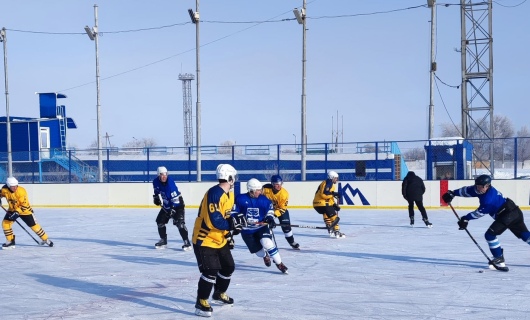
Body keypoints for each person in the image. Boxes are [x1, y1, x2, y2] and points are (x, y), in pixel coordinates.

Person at [191, 164, 247, 317]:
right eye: (233, 177)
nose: (235, 179)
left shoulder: (229, 194)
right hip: (205, 239)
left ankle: (218, 293)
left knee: (228, 267)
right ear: (229, 178)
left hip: (219, 238)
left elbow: (226, 216)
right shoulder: (215, 194)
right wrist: (231, 225)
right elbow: (214, 221)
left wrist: (231, 231)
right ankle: (201, 302)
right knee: (210, 271)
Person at [442, 174, 530, 269]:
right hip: (514, 211)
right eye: (477, 185)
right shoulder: (481, 189)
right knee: (524, 235)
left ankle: (498, 258)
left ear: (487, 186)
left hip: (507, 215)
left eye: (480, 186)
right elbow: (467, 191)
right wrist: (453, 193)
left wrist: (466, 218)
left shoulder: (489, 199)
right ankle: (498, 257)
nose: (477, 188)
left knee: (490, 235)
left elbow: (479, 213)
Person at [236, 178, 289, 274]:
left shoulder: (263, 199)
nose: (260, 192)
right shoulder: (240, 199)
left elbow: (270, 210)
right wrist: (237, 219)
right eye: (258, 190)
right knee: (259, 253)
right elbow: (233, 212)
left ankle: (279, 263)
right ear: (251, 190)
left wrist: (270, 218)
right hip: (247, 230)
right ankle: (265, 256)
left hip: (261, 227)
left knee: (267, 243)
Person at [0, 177, 53, 249]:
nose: (15, 188)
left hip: (25, 211)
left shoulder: (21, 191)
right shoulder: (4, 189)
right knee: (5, 224)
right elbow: (0, 194)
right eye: (13, 186)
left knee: (34, 226)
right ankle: (10, 241)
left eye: (16, 186)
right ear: (9, 186)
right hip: (12, 209)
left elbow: (24, 205)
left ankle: (45, 239)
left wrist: (17, 213)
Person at [152, 166, 191, 251]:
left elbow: (175, 200)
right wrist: (155, 197)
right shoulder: (155, 182)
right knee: (160, 222)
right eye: (162, 175)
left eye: (165, 174)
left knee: (180, 224)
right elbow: (156, 191)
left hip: (177, 205)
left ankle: (186, 241)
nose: (164, 176)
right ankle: (163, 240)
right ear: (159, 175)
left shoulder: (170, 184)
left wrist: (173, 210)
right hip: (166, 205)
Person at [262, 175, 300, 250]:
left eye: (280, 183)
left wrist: (272, 215)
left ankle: (291, 242)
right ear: (272, 184)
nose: (279, 185)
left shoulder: (284, 194)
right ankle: (267, 243)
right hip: (268, 210)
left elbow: (282, 209)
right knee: (265, 225)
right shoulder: (265, 189)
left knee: (286, 226)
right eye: (276, 184)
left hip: (280, 210)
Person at [312, 171, 345, 238]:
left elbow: (328, 196)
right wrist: (334, 194)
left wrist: (334, 204)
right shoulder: (328, 183)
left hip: (316, 204)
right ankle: (336, 231)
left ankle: (330, 229)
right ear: (332, 177)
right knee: (334, 217)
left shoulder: (325, 183)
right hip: (323, 204)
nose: (336, 179)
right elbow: (324, 195)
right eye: (335, 178)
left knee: (326, 214)